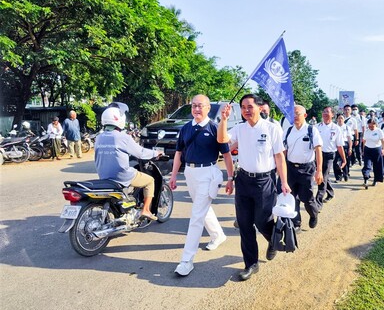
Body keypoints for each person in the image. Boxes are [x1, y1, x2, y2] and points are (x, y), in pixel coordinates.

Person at [217, 94, 291, 281]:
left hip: (264, 181)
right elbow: (222, 140)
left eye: (250, 106)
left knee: (262, 220)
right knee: (244, 224)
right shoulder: (240, 129)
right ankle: (251, 263)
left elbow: (280, 157)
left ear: (259, 107)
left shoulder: (272, 129)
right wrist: (224, 119)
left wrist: (284, 182)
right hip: (243, 180)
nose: (246, 110)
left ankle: (273, 239)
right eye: (243, 107)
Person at [169, 95, 234, 277]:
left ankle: (186, 260)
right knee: (203, 209)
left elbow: (227, 155)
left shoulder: (215, 128)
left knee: (196, 215)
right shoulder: (185, 128)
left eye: (200, 106)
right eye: (193, 106)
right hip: (190, 173)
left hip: (208, 173)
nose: (196, 109)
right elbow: (178, 153)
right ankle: (218, 235)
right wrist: (174, 175)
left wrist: (230, 177)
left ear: (207, 108)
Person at [95, 102, 161, 221]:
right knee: (150, 181)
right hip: (121, 176)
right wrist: (156, 153)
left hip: (104, 176)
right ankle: (146, 210)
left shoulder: (99, 137)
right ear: (119, 119)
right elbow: (140, 152)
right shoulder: (122, 137)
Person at [283, 105, 323, 231]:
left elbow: (318, 151)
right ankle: (296, 224)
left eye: (297, 114)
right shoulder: (288, 131)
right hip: (291, 169)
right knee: (292, 198)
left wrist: (319, 171)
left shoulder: (312, 130)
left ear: (304, 115)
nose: (294, 116)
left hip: (307, 170)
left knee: (307, 199)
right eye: (292, 114)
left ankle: (313, 214)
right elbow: (283, 151)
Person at [315, 106, 347, 205]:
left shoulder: (336, 129)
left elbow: (339, 145)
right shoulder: (316, 127)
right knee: (325, 176)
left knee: (322, 177)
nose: (325, 113)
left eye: (327, 112)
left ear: (332, 115)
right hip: (317, 154)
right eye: (323, 111)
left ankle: (318, 202)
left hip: (329, 155)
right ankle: (330, 192)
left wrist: (344, 159)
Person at [361, 117, 384, 187]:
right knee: (367, 165)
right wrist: (363, 150)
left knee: (377, 166)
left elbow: (383, 141)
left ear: (376, 125)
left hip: (377, 149)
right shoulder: (366, 131)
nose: (371, 127)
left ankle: (375, 180)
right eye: (369, 126)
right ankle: (366, 179)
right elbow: (364, 141)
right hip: (367, 149)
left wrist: (383, 149)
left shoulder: (379, 131)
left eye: (372, 126)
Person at [334, 114, 352, 182]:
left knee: (345, 160)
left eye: (341, 118)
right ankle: (338, 177)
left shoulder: (347, 127)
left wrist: (350, 148)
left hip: (345, 145)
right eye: (339, 118)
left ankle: (345, 174)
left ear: (344, 119)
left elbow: (349, 138)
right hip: (336, 146)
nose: (340, 119)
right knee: (335, 162)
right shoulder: (334, 127)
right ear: (337, 119)